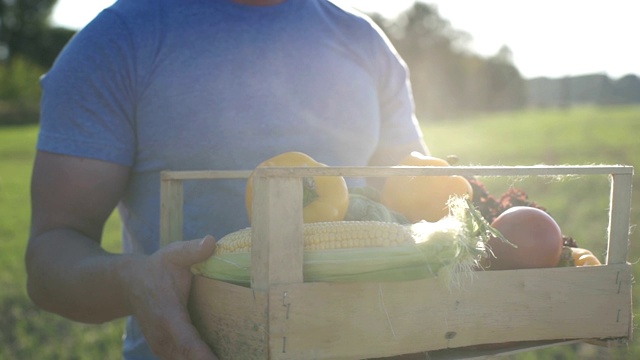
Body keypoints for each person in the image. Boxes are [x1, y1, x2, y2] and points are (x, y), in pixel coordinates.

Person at [25, 0, 428, 358]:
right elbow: (49, 259)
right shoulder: (116, 40)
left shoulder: (366, 42)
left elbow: (416, 200)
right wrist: (135, 281)